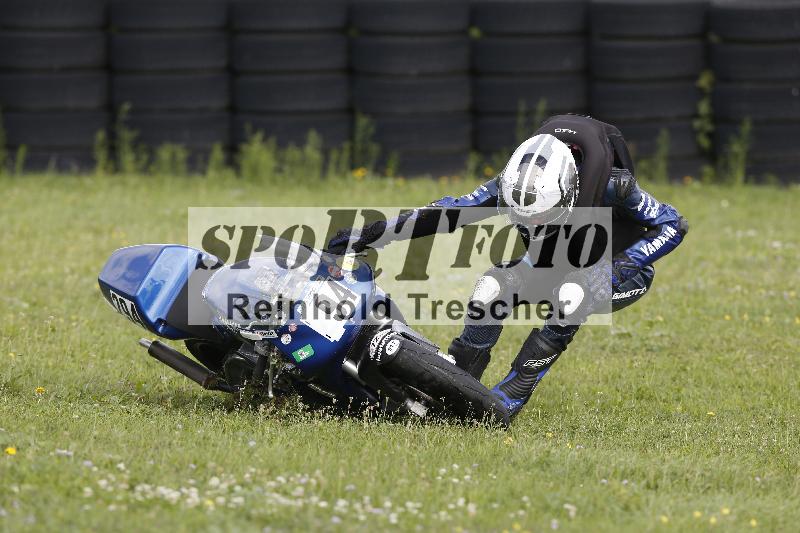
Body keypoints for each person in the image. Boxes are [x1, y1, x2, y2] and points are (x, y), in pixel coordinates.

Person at [326, 114, 688, 417]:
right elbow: (443, 215)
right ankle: (456, 380)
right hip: (557, 265)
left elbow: (673, 224)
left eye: (540, 216)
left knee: (574, 292)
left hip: (623, 271)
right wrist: (370, 234)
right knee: (492, 287)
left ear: (568, 191)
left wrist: (616, 269)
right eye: (522, 218)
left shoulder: (614, 187)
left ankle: (514, 391)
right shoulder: (510, 184)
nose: (531, 226)